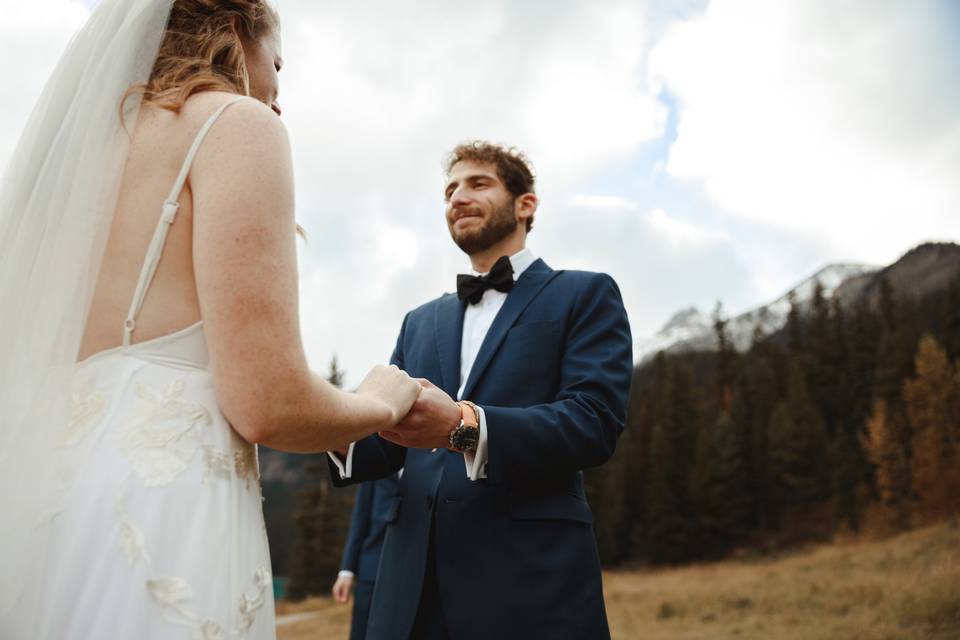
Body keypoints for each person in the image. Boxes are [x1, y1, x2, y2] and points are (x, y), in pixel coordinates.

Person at [0, 1, 420, 638]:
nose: (278, 92)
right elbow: (267, 404)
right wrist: (380, 404)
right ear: (234, 31)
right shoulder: (232, 123)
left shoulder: (79, 164)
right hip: (162, 518)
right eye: (277, 64)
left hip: (43, 516)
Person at [327, 141, 633, 639]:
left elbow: (592, 422)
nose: (458, 197)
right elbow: (387, 440)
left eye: (478, 183)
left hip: (527, 583)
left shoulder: (585, 293)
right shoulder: (418, 321)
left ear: (525, 204)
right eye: (450, 189)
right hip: (408, 588)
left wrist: (463, 427)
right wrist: (334, 426)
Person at [333, 473, 402, 640]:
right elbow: (360, 517)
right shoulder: (379, 462)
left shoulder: (430, 455)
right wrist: (346, 571)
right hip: (371, 567)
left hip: (409, 570)